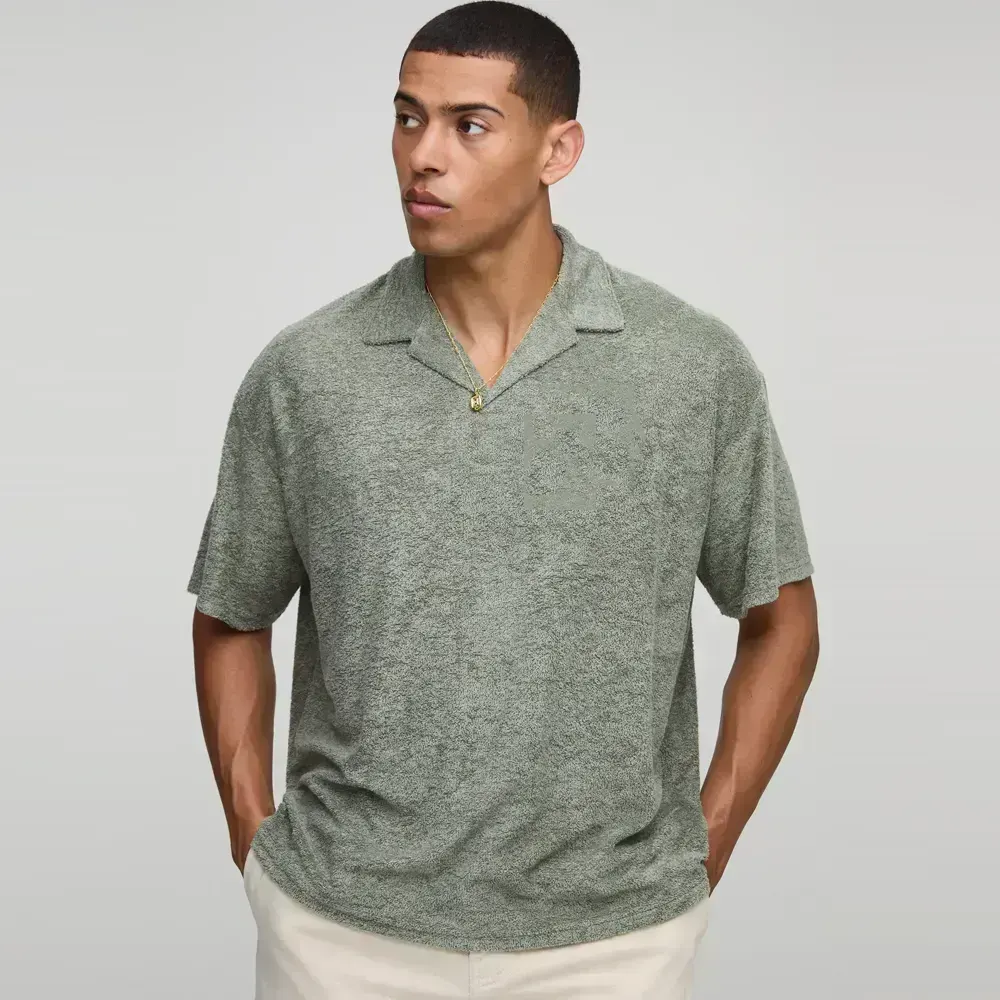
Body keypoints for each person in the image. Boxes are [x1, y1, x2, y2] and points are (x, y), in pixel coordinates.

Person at [187, 2, 820, 997]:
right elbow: (231, 613)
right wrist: (252, 838)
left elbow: (782, 619)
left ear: (557, 149)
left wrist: (704, 848)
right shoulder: (306, 372)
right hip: (338, 933)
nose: (422, 156)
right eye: (407, 118)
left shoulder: (690, 366)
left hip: (611, 943)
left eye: (468, 125)